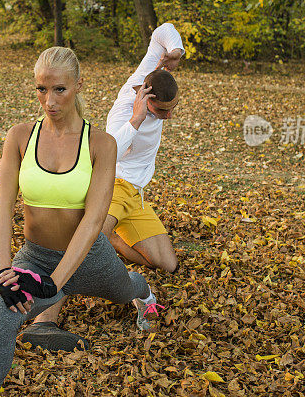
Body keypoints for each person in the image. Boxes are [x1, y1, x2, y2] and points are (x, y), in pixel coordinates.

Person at [0, 47, 162, 397]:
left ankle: (143, 290)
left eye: (59, 89)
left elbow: (93, 221)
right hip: (35, 259)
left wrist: (55, 284)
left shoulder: (100, 143)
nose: (49, 100)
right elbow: (1, 205)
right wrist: (2, 271)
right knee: (1, 319)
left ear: (78, 86)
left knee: (123, 290)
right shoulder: (20, 137)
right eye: (41, 89)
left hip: (90, 259)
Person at [21, 22, 184, 351]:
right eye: (160, 111)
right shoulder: (127, 106)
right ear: (144, 97)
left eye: (171, 110)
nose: (166, 117)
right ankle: (44, 321)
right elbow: (110, 149)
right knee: (80, 242)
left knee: (166, 263)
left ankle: (110, 238)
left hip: (135, 196)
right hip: (113, 185)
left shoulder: (151, 72)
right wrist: (138, 118)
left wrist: (176, 50)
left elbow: (163, 30)